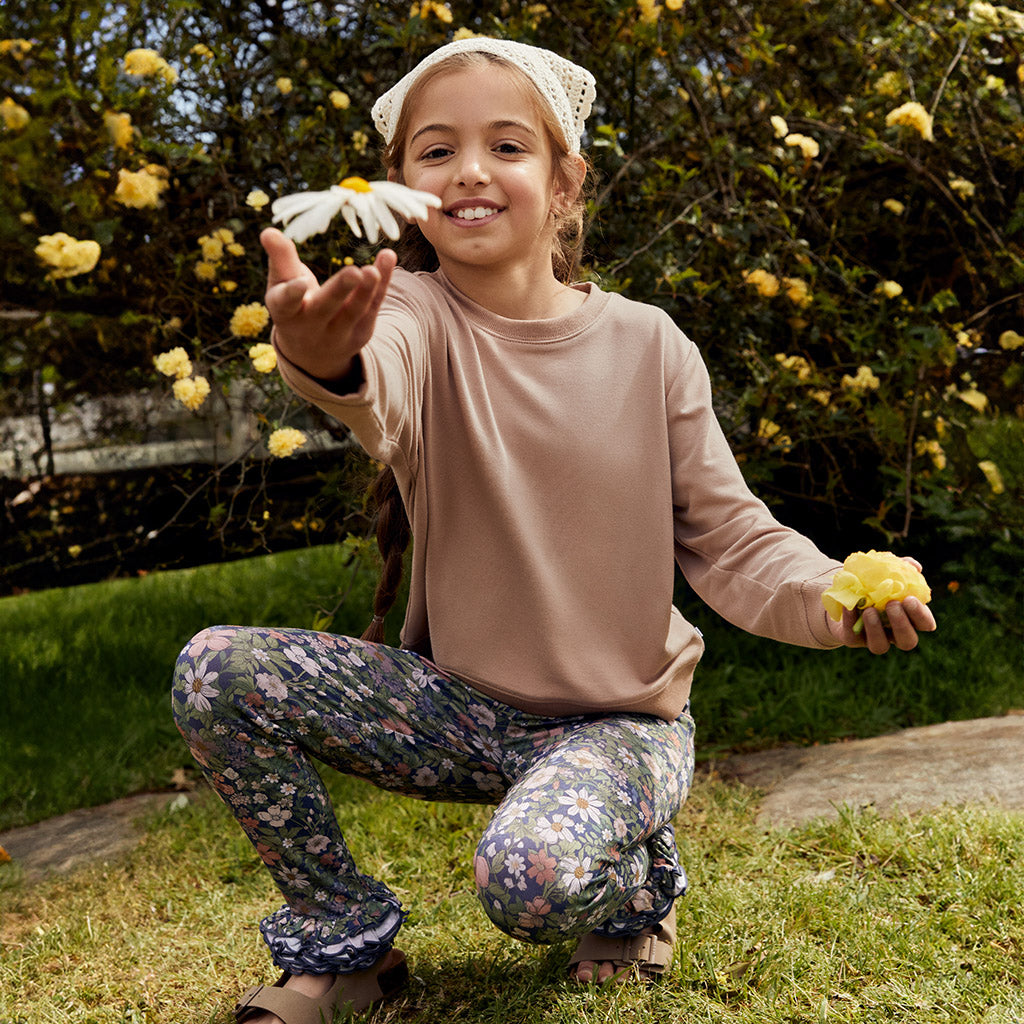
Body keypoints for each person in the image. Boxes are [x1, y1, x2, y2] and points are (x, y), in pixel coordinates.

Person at [171, 37, 937, 1024]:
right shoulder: (410, 311)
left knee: (527, 880)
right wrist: (321, 353)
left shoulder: (648, 347)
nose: (470, 172)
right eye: (435, 152)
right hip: (456, 708)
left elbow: (733, 539)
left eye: (507, 146)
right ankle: (342, 942)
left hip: (620, 725)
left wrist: (831, 595)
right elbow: (378, 379)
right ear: (404, 191)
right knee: (216, 670)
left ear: (566, 181)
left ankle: (637, 887)